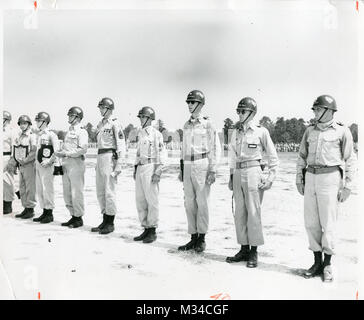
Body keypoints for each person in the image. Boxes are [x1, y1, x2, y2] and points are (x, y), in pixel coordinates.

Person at [296, 94, 356, 282]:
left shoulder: (342, 131)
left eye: (318, 109)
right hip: (311, 177)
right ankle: (316, 262)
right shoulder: (309, 131)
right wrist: (299, 179)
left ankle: (328, 263)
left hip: (330, 178)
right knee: (311, 222)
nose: (315, 112)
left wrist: (347, 185)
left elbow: (350, 159)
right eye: (314, 109)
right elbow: (301, 156)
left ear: (330, 111)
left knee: (328, 223)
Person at [226, 97, 279, 268]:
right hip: (238, 172)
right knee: (239, 213)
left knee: (253, 212)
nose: (240, 114)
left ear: (252, 113)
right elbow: (232, 156)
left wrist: (271, 177)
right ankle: (243, 248)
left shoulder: (261, 132)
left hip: (254, 172)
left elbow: (272, 156)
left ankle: (254, 251)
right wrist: (231, 175)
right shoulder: (235, 132)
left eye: (243, 111)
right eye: (238, 111)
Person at [178, 90, 221, 253]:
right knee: (189, 202)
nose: (189, 105)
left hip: (202, 163)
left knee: (202, 202)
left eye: (192, 102)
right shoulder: (186, 124)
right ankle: (193, 237)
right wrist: (181, 168)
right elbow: (183, 149)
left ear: (201, 104)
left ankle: (202, 238)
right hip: (188, 163)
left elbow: (215, 147)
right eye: (188, 102)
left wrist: (213, 169)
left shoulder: (208, 124)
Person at [91, 97, 126, 235]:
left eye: (102, 107)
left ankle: (110, 222)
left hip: (109, 157)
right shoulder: (101, 124)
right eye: (99, 107)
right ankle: (104, 219)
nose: (100, 109)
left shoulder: (115, 124)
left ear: (109, 109)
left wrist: (119, 165)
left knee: (109, 190)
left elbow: (121, 144)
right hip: (100, 157)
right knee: (100, 191)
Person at [133, 106, 165, 243]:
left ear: (149, 118)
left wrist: (158, 171)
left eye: (143, 117)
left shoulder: (156, 134)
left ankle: (152, 230)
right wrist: (135, 168)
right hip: (141, 167)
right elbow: (138, 152)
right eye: (140, 117)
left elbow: (162, 154)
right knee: (140, 200)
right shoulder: (140, 133)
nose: (140, 119)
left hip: (151, 167)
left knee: (152, 200)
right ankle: (145, 228)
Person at [55, 107, 88, 229]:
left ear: (77, 117)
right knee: (67, 192)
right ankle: (73, 215)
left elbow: (83, 149)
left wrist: (66, 153)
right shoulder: (69, 131)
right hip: (67, 163)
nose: (69, 117)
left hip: (76, 163)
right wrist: (61, 152)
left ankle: (78, 217)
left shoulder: (82, 131)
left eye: (71, 115)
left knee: (76, 192)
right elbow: (67, 147)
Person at [33, 112, 59, 224]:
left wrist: (49, 161)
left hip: (47, 166)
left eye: (39, 120)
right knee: (40, 189)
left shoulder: (51, 135)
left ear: (45, 122)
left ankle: (49, 213)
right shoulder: (38, 135)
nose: (37, 122)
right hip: (39, 165)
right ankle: (44, 211)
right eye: (37, 120)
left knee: (47, 189)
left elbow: (56, 151)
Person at [10, 115, 37, 219]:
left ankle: (31, 209)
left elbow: (33, 151)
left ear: (29, 124)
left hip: (29, 164)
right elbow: (17, 150)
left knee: (30, 187)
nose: (22, 125)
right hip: (21, 165)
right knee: (22, 187)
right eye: (21, 123)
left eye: (24, 123)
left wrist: (25, 160)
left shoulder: (31, 136)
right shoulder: (19, 136)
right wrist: (16, 162)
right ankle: (25, 208)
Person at [3, 111, 16, 214]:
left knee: (8, 182)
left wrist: (12, 160)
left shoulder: (12, 131)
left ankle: (8, 205)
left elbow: (14, 146)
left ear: (6, 120)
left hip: (7, 157)